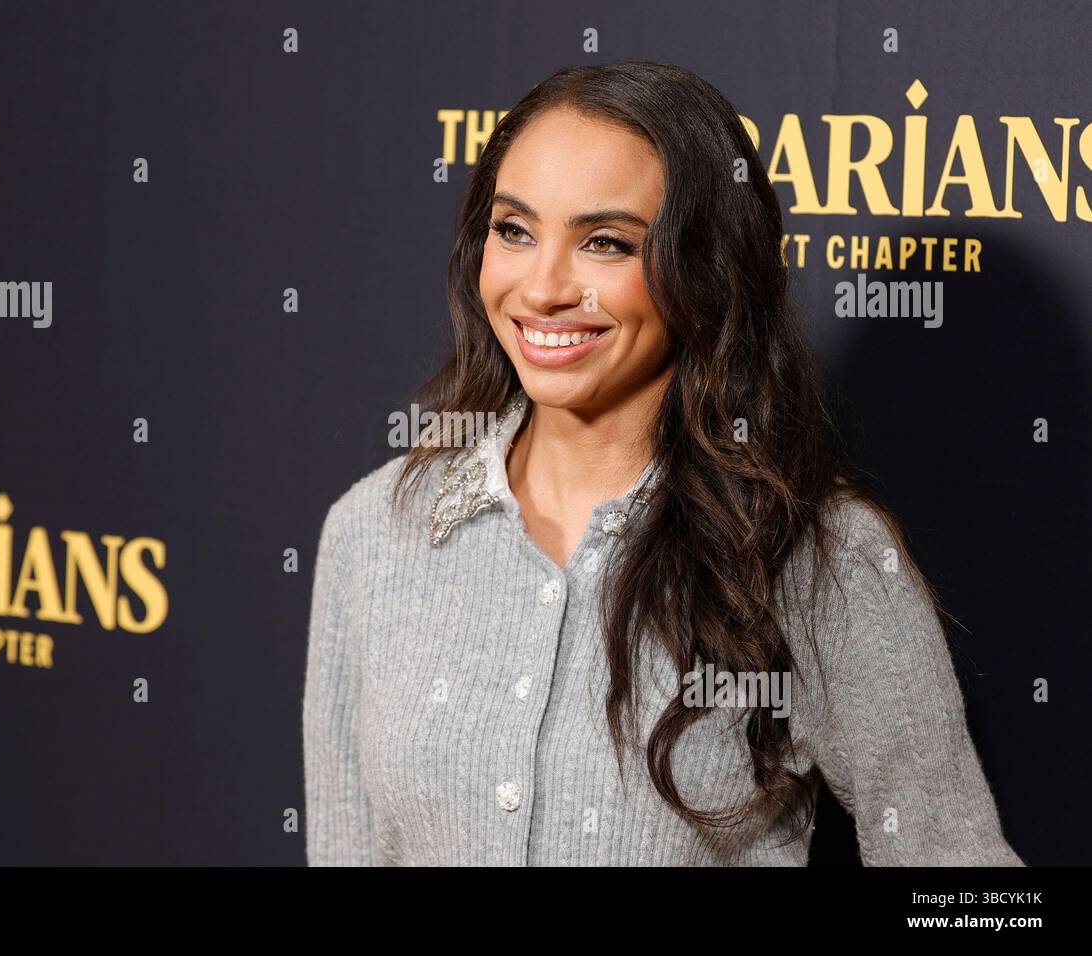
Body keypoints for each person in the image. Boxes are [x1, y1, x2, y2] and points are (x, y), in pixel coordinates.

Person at [302, 60, 1023, 866]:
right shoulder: (374, 532)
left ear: (704, 274)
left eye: (604, 243)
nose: (542, 288)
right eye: (515, 230)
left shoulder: (819, 558)